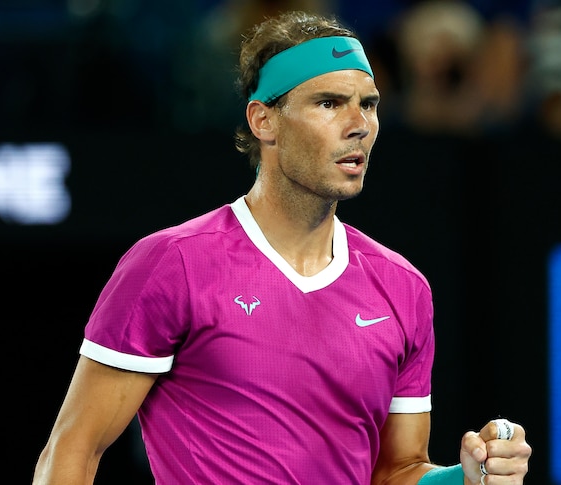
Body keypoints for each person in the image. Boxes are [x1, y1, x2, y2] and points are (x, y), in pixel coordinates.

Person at [32, 10, 531, 485]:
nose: (359, 123)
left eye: (370, 103)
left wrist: (465, 477)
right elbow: (72, 451)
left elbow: (396, 470)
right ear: (263, 121)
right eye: (329, 103)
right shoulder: (172, 264)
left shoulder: (404, 288)